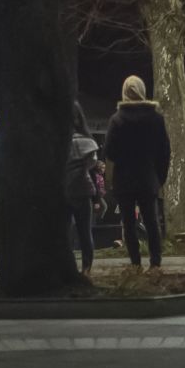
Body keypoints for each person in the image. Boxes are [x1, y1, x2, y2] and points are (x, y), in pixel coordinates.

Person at [104, 74, 171, 269]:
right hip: (148, 177)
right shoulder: (156, 119)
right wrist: (160, 177)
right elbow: (164, 151)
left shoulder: (117, 120)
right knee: (151, 222)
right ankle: (156, 262)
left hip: (124, 179)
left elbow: (109, 151)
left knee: (129, 224)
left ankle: (135, 264)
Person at [65, 103, 100, 276]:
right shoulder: (87, 142)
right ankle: (87, 268)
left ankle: (68, 266)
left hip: (64, 189)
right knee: (85, 232)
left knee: (66, 233)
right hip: (84, 188)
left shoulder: (57, 141)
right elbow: (92, 165)